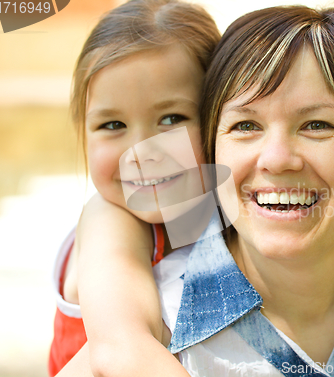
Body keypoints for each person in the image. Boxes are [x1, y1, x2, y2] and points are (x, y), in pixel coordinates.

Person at [58, 4, 334, 377]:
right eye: (246, 125)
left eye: (317, 125)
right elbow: (119, 349)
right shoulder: (115, 233)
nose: (142, 152)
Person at [48, 0, 220, 376]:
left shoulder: (224, 208)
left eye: (171, 119)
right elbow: (122, 347)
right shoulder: (109, 220)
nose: (140, 152)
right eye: (112, 125)